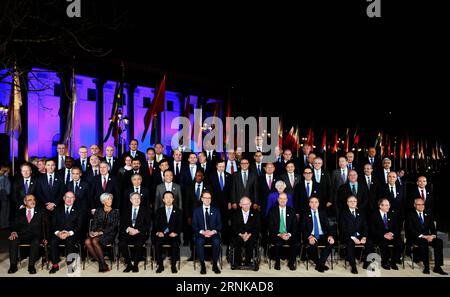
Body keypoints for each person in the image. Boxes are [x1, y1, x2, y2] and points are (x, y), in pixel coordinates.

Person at [405, 198, 447, 275]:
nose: (421, 206)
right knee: (423, 242)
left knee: (439, 242)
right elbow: (410, 230)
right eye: (419, 204)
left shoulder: (428, 214)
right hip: (416, 238)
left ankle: (437, 267)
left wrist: (433, 236)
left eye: (422, 204)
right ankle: (426, 267)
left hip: (428, 237)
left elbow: (433, 229)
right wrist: (423, 236)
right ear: (415, 205)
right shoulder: (410, 215)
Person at [8, 194, 48, 274]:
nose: (33, 201)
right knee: (13, 240)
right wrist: (13, 231)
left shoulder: (41, 211)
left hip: (35, 235)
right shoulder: (19, 212)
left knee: (36, 242)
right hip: (21, 234)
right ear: (25, 202)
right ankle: (13, 265)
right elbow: (14, 224)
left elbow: (46, 226)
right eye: (30, 200)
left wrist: (45, 237)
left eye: (34, 199)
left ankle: (31, 266)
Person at [49, 191, 84, 273]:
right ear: (64, 198)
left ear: (74, 199)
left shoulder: (79, 210)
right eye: (67, 197)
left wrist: (68, 233)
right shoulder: (57, 209)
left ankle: (69, 265)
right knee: (53, 241)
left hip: (72, 234)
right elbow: (52, 224)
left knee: (70, 242)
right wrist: (58, 233)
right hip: (59, 233)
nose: (69, 199)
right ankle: (55, 265)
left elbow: (79, 226)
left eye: (71, 197)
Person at [84, 193, 119, 272]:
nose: (110, 201)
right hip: (97, 233)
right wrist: (92, 232)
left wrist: (101, 232)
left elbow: (114, 226)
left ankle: (102, 264)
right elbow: (94, 224)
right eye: (108, 199)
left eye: (111, 199)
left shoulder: (115, 212)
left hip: (109, 234)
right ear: (103, 201)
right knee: (87, 241)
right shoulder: (98, 210)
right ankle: (102, 264)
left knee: (94, 240)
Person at [301, 197, 335, 273]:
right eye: (312, 202)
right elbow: (302, 228)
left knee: (331, 242)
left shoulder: (323, 213)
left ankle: (320, 264)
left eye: (316, 202)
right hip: (311, 235)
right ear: (309, 204)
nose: (314, 204)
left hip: (322, 235)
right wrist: (309, 237)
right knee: (312, 244)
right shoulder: (305, 214)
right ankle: (320, 264)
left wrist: (330, 235)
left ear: (318, 204)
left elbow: (328, 226)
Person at [119, 192, 151, 273]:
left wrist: (137, 230)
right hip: (128, 233)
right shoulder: (126, 210)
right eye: (134, 198)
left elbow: (148, 225)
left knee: (139, 244)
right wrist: (128, 229)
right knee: (122, 243)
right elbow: (122, 223)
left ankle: (135, 265)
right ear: (130, 200)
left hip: (140, 233)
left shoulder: (146, 210)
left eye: (138, 198)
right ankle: (129, 264)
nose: (137, 200)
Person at [192, 190, 222, 274]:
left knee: (216, 241)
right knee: (199, 241)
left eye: (209, 198)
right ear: (201, 199)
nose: (207, 200)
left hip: (213, 233)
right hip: (201, 234)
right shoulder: (196, 211)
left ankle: (215, 264)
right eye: (205, 198)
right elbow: (194, 225)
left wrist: (213, 231)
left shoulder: (216, 210)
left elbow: (220, 225)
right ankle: (202, 264)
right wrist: (202, 232)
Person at [367, 198, 402, 270]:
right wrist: (383, 234)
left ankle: (393, 262)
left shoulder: (392, 214)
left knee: (399, 243)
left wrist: (391, 233)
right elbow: (372, 229)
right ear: (380, 206)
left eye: (388, 205)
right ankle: (385, 262)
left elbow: (396, 227)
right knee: (383, 243)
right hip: (378, 235)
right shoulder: (374, 215)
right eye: (386, 205)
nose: (388, 207)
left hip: (390, 235)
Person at [268, 193, 298, 271]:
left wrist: (289, 234)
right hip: (277, 234)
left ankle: (291, 262)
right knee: (278, 243)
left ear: (287, 200)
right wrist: (280, 234)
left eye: (284, 199)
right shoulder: (272, 211)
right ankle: (277, 262)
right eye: (281, 198)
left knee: (295, 243)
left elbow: (295, 226)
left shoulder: (291, 210)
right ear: (278, 200)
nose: (282, 200)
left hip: (288, 234)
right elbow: (271, 226)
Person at [154, 191, 182, 273]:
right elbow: (156, 224)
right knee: (157, 243)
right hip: (162, 234)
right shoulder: (159, 211)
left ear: (173, 199)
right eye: (166, 198)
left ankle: (173, 266)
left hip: (173, 234)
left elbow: (180, 224)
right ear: (163, 199)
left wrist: (176, 232)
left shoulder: (178, 211)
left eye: (170, 197)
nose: (168, 199)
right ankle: (160, 265)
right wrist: (159, 232)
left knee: (175, 244)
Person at [339, 196, 368, 274]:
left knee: (370, 242)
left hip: (360, 236)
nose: (353, 203)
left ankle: (366, 262)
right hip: (348, 236)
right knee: (350, 244)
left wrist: (364, 237)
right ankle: (353, 266)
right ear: (347, 203)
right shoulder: (343, 213)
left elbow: (365, 226)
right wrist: (353, 238)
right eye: (350, 201)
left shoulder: (361, 213)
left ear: (357, 202)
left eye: (354, 201)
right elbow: (343, 228)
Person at [230, 197, 261, 268]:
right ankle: (238, 262)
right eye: (244, 204)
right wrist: (241, 235)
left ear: (250, 204)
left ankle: (248, 262)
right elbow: (233, 227)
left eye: (248, 204)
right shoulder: (235, 214)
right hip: (239, 234)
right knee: (237, 241)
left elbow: (257, 227)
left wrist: (249, 235)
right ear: (240, 205)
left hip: (251, 235)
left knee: (250, 242)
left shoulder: (255, 213)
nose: (246, 206)